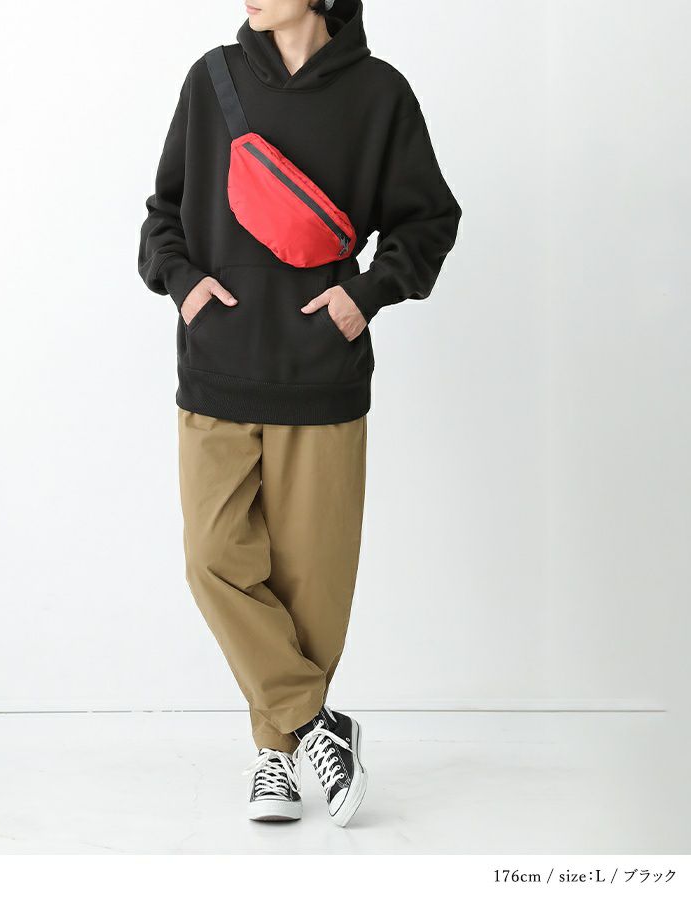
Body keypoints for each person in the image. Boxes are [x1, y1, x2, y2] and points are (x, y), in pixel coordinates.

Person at [138, 0, 461, 827]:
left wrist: (367, 295)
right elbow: (163, 215)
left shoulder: (380, 95)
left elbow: (430, 220)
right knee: (213, 559)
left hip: (322, 375)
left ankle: (274, 756)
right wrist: (183, 285)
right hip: (217, 368)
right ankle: (317, 723)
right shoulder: (211, 80)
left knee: (312, 584)